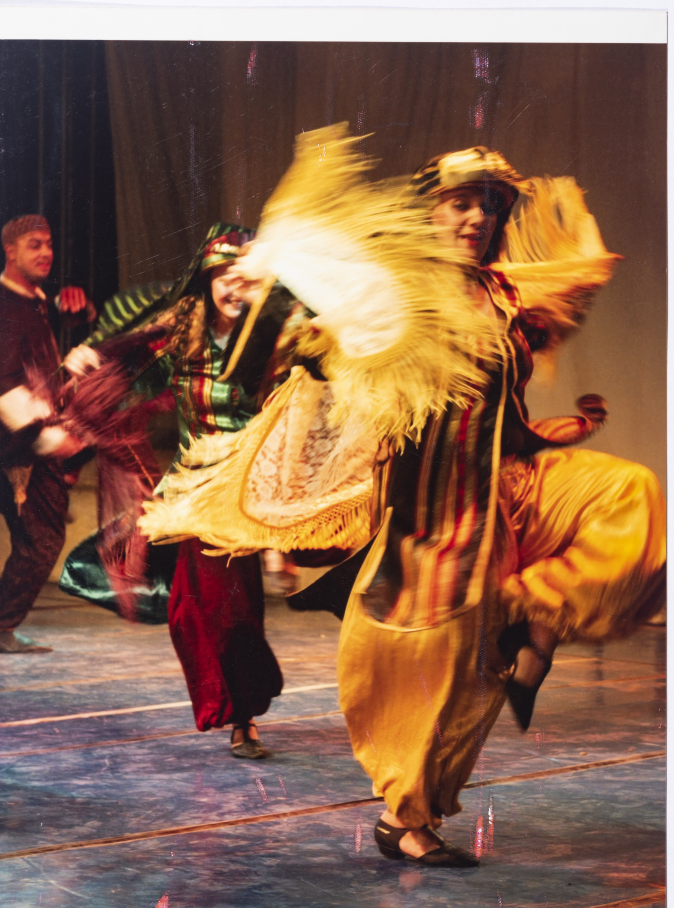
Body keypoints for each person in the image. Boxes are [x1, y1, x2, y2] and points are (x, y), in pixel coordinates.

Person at [139, 131, 665, 865]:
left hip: (505, 495)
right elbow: (285, 366)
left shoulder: (505, 296)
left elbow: (498, 414)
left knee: (631, 495)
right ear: (430, 211)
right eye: (460, 203)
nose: (477, 217)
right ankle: (408, 816)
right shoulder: (386, 298)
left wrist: (553, 433)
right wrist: (301, 321)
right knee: (451, 679)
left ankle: (532, 607)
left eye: (488, 204)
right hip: (434, 519)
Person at [64, 224, 290, 758]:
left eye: (246, 278)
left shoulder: (270, 343)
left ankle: (241, 714)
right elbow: (130, 382)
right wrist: (87, 364)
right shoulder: (182, 340)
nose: (236, 289)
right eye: (224, 277)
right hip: (190, 490)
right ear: (206, 281)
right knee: (192, 610)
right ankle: (236, 704)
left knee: (230, 605)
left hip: (243, 494)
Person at [0, 215, 94, 653]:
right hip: (15, 453)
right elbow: (1, 382)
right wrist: (47, 440)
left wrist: (70, 368)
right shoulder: (4, 309)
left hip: (18, 446)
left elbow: (31, 374)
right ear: (12, 251)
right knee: (42, 537)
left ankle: (0, 627)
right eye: (34, 245)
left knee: (38, 535)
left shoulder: (30, 303)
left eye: (48, 243)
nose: (46, 251)